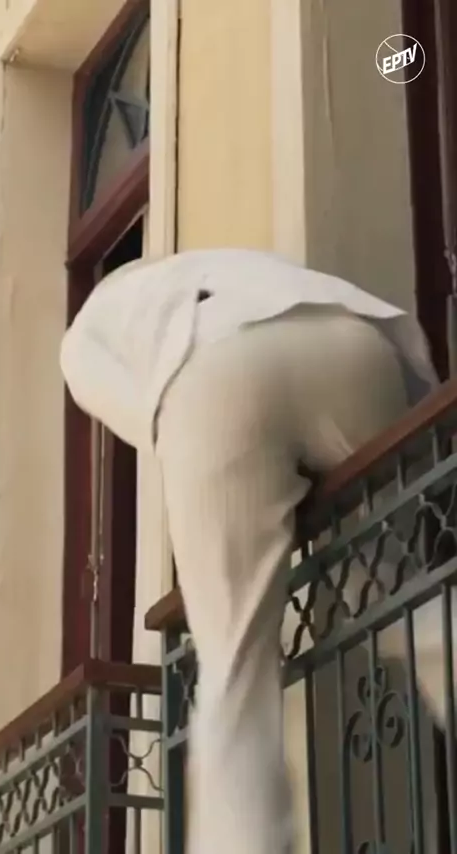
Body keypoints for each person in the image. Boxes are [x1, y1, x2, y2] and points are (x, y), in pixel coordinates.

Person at [60, 248, 438, 854]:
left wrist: (242, 487)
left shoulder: (84, 335)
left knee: (236, 672)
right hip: (352, 347)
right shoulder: (222, 264)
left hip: (210, 373)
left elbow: (151, 420)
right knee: (409, 601)